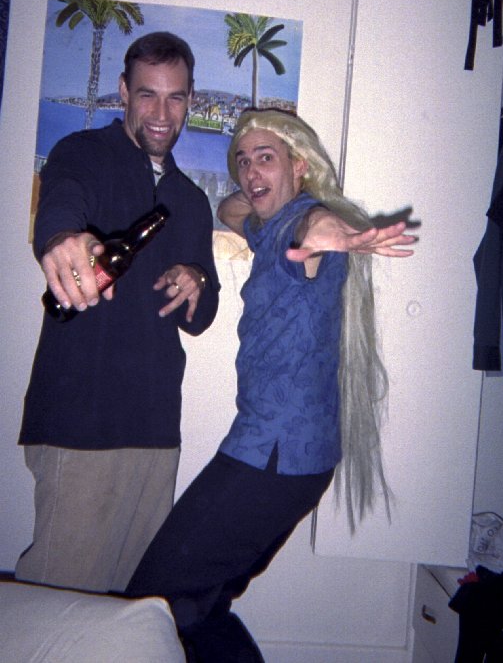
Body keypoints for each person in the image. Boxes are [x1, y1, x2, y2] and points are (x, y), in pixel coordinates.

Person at [125, 108, 415, 661]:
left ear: (299, 166)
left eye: (266, 158)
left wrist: (332, 229)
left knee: (153, 603)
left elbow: (312, 230)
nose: (251, 171)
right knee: (199, 607)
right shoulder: (272, 225)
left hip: (271, 457)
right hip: (289, 459)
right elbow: (232, 209)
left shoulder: (297, 228)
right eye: (243, 160)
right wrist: (261, 198)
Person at [16, 31, 220, 593]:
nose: (161, 114)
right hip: (80, 420)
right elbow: (62, 199)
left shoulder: (191, 200)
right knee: (59, 604)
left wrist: (198, 280)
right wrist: (62, 239)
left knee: (130, 606)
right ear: (124, 91)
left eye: (175, 98)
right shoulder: (82, 152)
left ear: (190, 100)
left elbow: (201, 318)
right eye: (148, 94)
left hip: (155, 427)